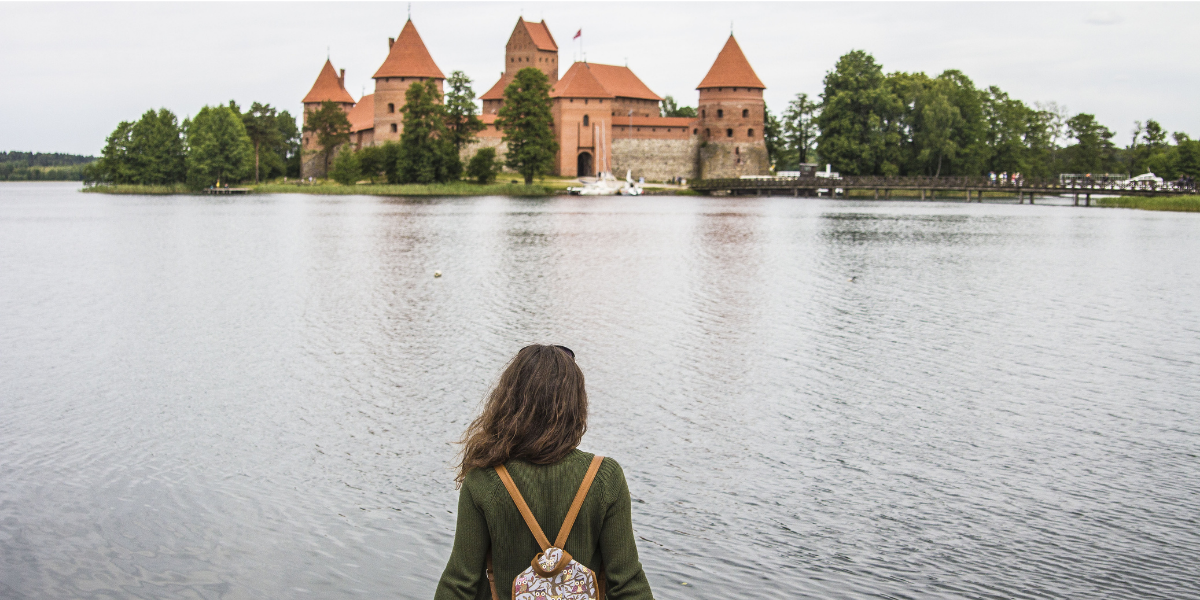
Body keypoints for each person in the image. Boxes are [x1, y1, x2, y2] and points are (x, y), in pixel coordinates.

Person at [434, 345, 654, 600]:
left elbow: (460, 583)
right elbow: (627, 584)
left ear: (509, 401)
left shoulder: (484, 479)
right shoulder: (605, 477)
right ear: (576, 405)